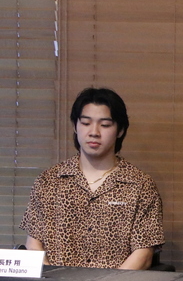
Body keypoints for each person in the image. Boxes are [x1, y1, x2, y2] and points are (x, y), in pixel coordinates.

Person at [20, 87, 164, 269]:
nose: (94, 132)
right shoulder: (49, 181)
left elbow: (143, 254)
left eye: (105, 125)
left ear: (120, 130)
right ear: (75, 126)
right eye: (86, 123)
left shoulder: (140, 185)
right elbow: (34, 245)